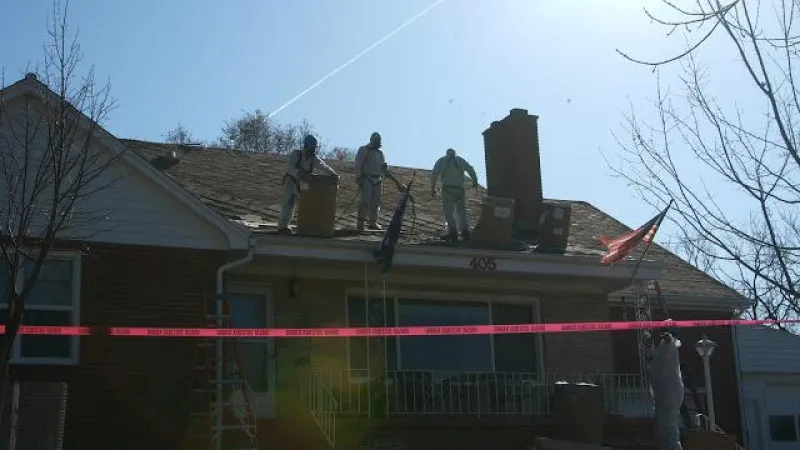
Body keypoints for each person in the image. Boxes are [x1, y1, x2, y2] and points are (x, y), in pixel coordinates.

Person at [278, 134, 339, 235]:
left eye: (314, 147)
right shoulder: (296, 154)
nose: (313, 149)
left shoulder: (313, 158)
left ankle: (306, 225)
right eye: (312, 147)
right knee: (289, 202)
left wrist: (333, 174)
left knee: (306, 202)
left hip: (302, 183)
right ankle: (282, 227)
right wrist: (300, 173)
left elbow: (323, 166)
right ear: (306, 145)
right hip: (291, 181)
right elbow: (289, 168)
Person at [354, 132, 404, 231]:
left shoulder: (380, 154)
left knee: (375, 203)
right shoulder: (364, 150)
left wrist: (396, 182)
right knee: (365, 201)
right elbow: (358, 164)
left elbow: (384, 171)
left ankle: (373, 222)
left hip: (377, 180)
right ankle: (360, 223)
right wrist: (359, 177)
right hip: (366, 178)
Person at [649, 325, 685, 450]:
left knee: (668, 427)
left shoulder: (669, 343)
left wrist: (666, 334)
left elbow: (669, 338)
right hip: (665, 392)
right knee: (664, 428)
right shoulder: (665, 347)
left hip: (669, 393)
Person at [431, 148, 478, 241]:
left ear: (447, 154)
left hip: (448, 190)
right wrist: (475, 181)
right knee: (461, 211)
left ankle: (453, 233)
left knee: (449, 213)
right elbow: (470, 169)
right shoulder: (459, 160)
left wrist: (433, 188)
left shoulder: (442, 161)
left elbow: (434, 174)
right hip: (459, 190)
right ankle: (465, 232)